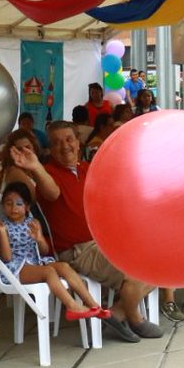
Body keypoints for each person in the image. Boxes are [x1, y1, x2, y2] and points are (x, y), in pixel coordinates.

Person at [39, 122, 161, 343]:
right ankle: (135, 319)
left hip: (102, 241)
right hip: (77, 250)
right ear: (50, 149)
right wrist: (34, 167)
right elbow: (51, 192)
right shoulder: (47, 174)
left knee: (157, 263)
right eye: (56, 143)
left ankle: (115, 313)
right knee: (133, 272)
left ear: (78, 142)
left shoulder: (87, 168)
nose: (64, 146)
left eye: (68, 139)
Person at [0, 182, 110, 321]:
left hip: (35, 262)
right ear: (3, 206)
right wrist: (2, 233)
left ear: (27, 207)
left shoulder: (33, 223)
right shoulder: (3, 227)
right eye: (8, 203)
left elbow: (44, 251)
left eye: (19, 204)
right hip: (15, 268)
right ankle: (72, 306)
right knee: (49, 272)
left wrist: (40, 238)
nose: (13, 208)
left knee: (64, 267)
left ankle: (93, 305)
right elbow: (6, 258)